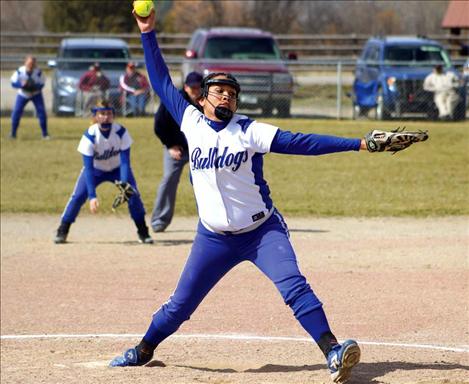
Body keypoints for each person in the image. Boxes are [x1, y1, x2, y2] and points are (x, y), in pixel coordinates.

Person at [109, 10, 372, 384]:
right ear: (202, 98)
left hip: (261, 231)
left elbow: (302, 142)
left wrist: (358, 143)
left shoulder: (248, 130)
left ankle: (333, 350)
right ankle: (143, 350)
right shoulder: (190, 122)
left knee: (293, 285)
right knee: (180, 306)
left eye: (233, 93)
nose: (227, 97)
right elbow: (159, 79)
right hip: (213, 237)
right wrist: (148, 32)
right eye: (219, 90)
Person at [54, 100, 153, 245]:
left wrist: (124, 185)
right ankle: (63, 229)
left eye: (109, 113)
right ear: (95, 115)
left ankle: (143, 232)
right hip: (95, 170)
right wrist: (92, 196)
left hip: (118, 169)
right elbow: (88, 168)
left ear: (113, 115)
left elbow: (125, 161)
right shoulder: (90, 136)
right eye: (102, 113)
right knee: (78, 196)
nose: (106, 117)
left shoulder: (120, 132)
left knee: (133, 196)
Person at [150, 71, 203, 233]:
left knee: (206, 180)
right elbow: (159, 125)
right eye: (191, 87)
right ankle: (160, 219)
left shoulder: (207, 101)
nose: (194, 90)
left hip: (199, 149)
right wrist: (170, 145)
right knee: (169, 178)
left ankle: (211, 221)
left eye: (198, 87)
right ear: (185, 87)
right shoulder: (173, 101)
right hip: (176, 147)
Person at [10, 56, 49, 139]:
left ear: (35, 64)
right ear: (25, 62)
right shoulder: (20, 71)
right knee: (16, 112)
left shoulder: (38, 72)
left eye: (32, 63)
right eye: (29, 63)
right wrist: (21, 85)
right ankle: (13, 133)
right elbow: (13, 83)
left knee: (41, 112)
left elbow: (42, 84)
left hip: (36, 94)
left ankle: (45, 134)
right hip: (23, 94)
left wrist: (35, 86)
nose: (31, 65)